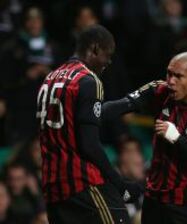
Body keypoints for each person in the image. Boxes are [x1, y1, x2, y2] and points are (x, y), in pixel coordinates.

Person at [103, 51, 187, 223]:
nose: (171, 81)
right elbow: (125, 104)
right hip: (155, 200)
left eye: (179, 76)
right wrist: (89, 110)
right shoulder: (160, 90)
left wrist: (177, 140)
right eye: (169, 74)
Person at [36, 25, 141, 224]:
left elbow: (87, 116)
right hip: (82, 185)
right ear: (94, 48)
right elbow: (89, 145)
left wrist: (131, 102)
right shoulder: (88, 80)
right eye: (107, 55)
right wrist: (120, 184)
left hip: (54, 190)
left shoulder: (49, 78)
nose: (108, 62)